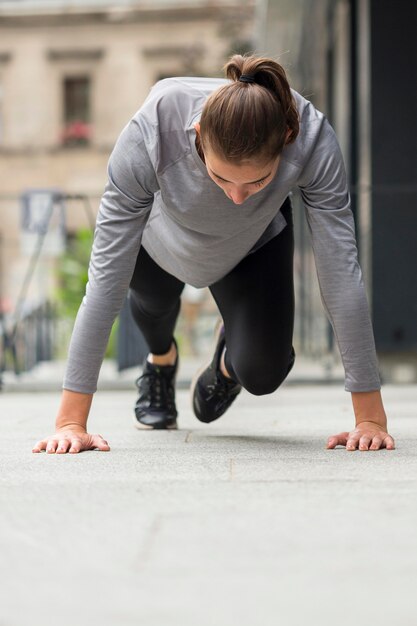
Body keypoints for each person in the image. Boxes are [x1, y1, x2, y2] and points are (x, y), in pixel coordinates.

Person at [32, 54, 395, 455]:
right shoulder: (152, 131)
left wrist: (370, 419)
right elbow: (104, 282)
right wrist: (70, 423)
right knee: (151, 306)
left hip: (249, 246)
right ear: (199, 133)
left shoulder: (311, 138)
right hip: (159, 241)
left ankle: (226, 360)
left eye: (258, 181)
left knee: (263, 373)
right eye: (221, 177)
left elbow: (341, 272)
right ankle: (161, 359)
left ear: (287, 138)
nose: (237, 197)